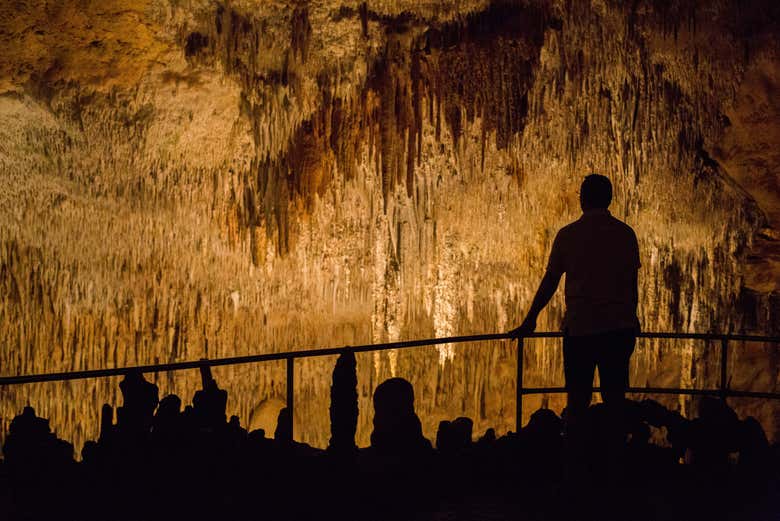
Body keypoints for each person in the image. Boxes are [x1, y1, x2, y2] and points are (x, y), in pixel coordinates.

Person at [509, 174, 640, 432]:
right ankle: (614, 460)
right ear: (609, 199)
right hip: (618, 329)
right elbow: (630, 285)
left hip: (581, 329)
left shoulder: (569, 235)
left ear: (583, 200)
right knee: (614, 398)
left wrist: (530, 319)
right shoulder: (625, 234)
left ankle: (575, 459)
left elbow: (551, 281)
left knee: (578, 400)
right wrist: (632, 318)